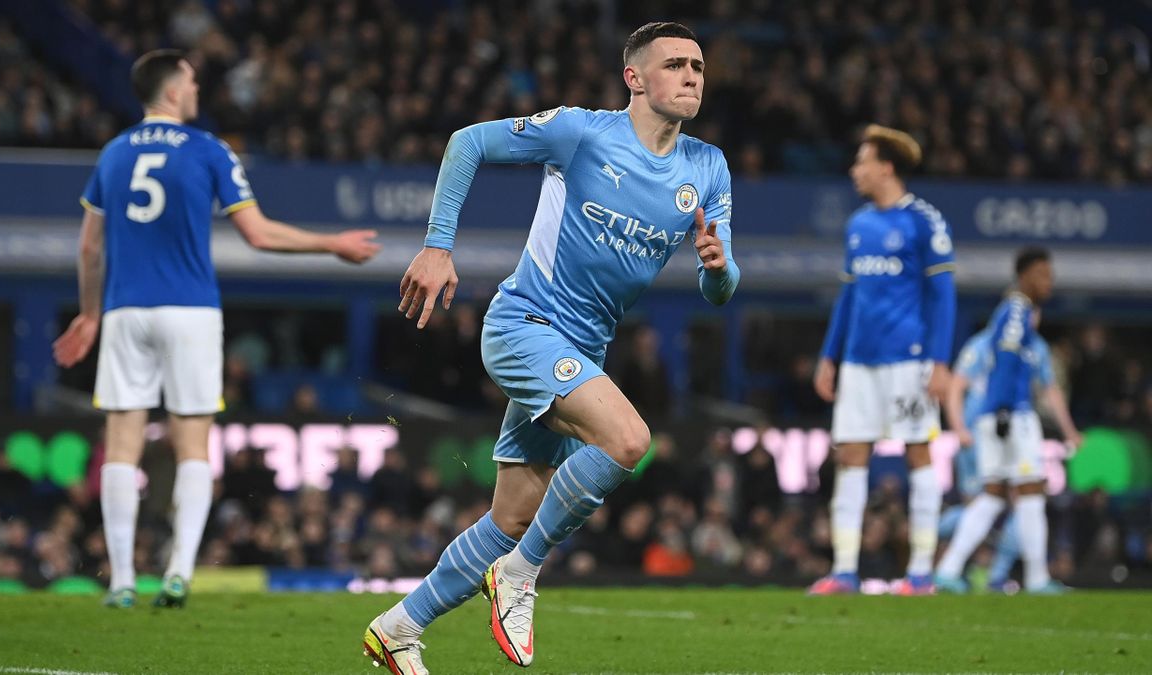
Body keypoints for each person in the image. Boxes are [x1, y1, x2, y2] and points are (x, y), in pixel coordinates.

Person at [362, 22, 739, 674]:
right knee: (627, 440)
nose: (691, 76)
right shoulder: (582, 132)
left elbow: (721, 290)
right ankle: (521, 573)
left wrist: (717, 265)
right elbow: (467, 142)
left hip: (584, 350)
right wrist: (437, 245)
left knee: (510, 518)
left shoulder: (707, 167)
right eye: (675, 64)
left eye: (698, 67)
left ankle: (398, 627)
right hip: (524, 325)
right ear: (634, 78)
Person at [52, 49, 380, 610]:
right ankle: (179, 572)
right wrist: (331, 243)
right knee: (193, 444)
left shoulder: (113, 153)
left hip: (126, 310)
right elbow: (257, 234)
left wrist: (89, 313)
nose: (197, 90)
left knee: (123, 444)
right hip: (190, 311)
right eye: (192, 82)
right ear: (173, 91)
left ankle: (122, 580)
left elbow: (88, 247)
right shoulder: (208, 149)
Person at [809, 125, 957, 596]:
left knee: (919, 454)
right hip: (858, 362)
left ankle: (920, 574)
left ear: (886, 168)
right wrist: (829, 355)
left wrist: (940, 361)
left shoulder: (924, 221)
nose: (855, 170)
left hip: (909, 362)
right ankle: (844, 571)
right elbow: (849, 297)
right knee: (851, 457)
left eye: (862, 161)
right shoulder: (858, 225)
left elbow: (944, 295)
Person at [934, 248, 1072, 594]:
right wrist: (1005, 409)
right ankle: (1037, 578)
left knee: (993, 496)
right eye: (1042, 275)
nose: (1049, 283)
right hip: (1011, 415)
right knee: (1031, 492)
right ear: (1024, 277)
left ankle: (948, 569)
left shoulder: (1012, 315)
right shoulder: (1017, 310)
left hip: (993, 417)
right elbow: (1006, 364)